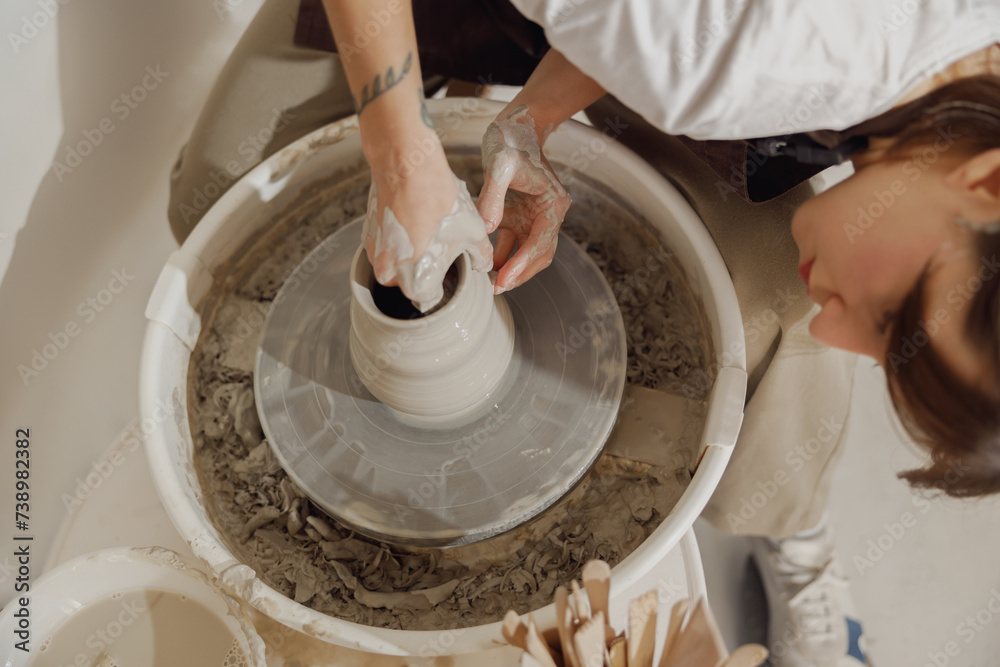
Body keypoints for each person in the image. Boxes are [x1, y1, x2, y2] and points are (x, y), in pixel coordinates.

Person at [167, 1, 1000, 664]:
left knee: (783, 318)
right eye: (891, 318)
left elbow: (668, 33)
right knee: (217, 185)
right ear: (988, 184)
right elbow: (687, 41)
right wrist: (399, 153)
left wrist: (527, 122)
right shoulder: (759, 50)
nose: (847, 326)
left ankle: (791, 536)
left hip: (669, 39)